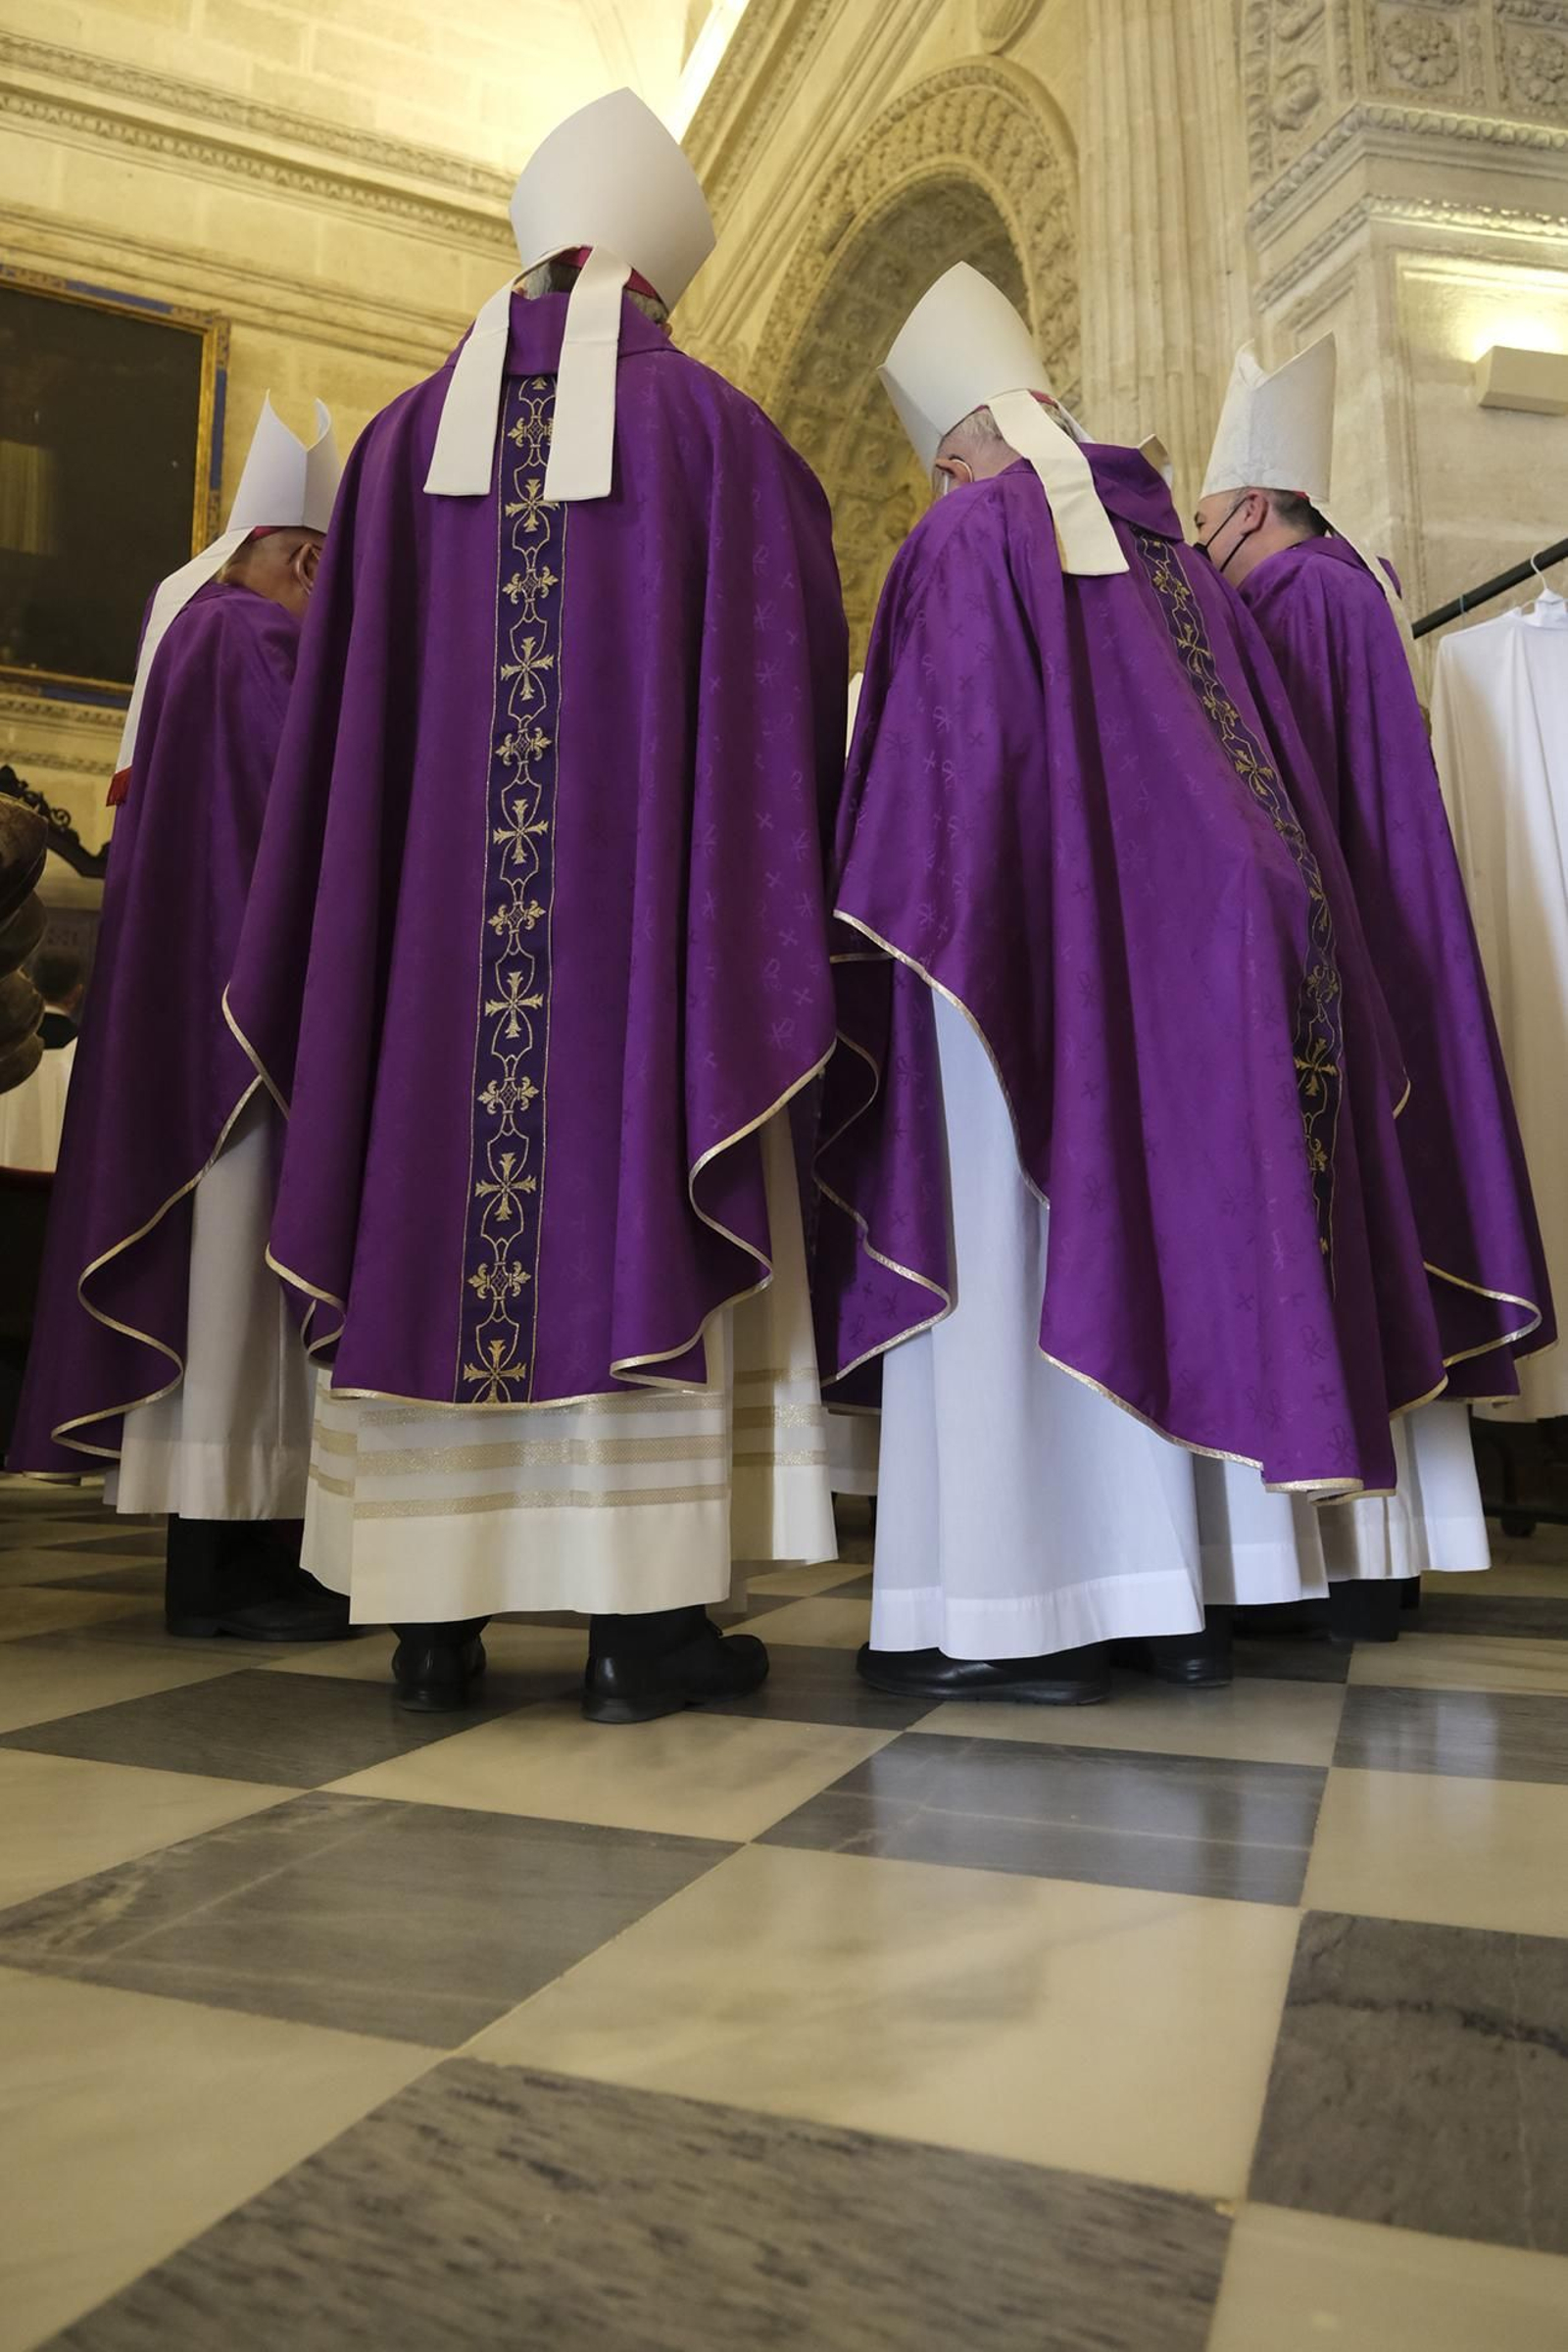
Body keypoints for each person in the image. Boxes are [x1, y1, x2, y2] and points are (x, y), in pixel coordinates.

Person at [224, 90, 848, 1720]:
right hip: (633, 950)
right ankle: (640, 1632)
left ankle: (433, 1620)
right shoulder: (712, 435)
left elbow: (341, 748)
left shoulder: (391, 446)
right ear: (656, 277)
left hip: (429, 963)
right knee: (617, 1176)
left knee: (430, 1182)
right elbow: (788, 702)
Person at [816, 264, 1450, 1706]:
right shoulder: (1172, 542)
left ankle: (1025, 1600)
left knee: (1020, 1233)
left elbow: (939, 799)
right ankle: (1181, 1591)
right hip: (1215, 951)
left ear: (951, 454)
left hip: (1017, 950)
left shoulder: (968, 533)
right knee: (1184, 1237)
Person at [1193, 336, 1552, 1634]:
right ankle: (1386, 1556)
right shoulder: (1359, 587)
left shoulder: (1288, 605)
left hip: (1320, 966)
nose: (1198, 546)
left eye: (1204, 522)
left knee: (1326, 1244)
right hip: (1385, 951)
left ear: (1246, 509)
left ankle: (1335, 1566)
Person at [8, 399, 349, 1644]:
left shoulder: (198, 634)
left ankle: (249, 1551)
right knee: (242, 1286)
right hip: (243, 1036)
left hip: (202, 1018)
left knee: (236, 1290)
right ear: (307, 558)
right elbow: (305, 829)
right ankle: (231, 1564)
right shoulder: (256, 642)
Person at [0, 945, 80, 1172]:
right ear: (76, 993)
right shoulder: (86, 1057)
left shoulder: (7, 1043)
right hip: (57, 1188)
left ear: (31, 983)